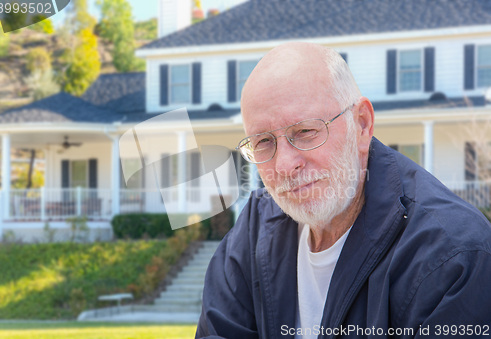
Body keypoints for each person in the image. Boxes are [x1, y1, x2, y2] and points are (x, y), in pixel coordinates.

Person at [195, 42, 491, 339]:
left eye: (305, 131)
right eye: (263, 142)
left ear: (362, 124)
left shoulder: (453, 255)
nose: (284, 165)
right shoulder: (254, 229)